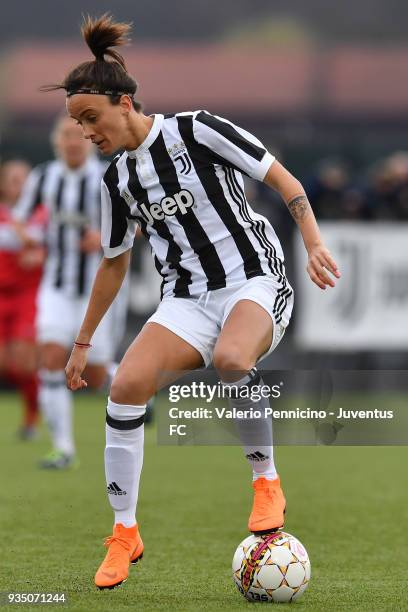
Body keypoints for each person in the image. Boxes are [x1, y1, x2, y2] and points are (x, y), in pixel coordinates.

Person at [57, 15, 340, 590]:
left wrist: (312, 242)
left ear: (125, 102)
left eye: (92, 118)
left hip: (253, 279)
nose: (86, 132)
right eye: (77, 123)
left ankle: (266, 483)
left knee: (234, 358)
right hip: (186, 299)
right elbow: (114, 262)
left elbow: (284, 180)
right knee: (126, 386)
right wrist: (83, 341)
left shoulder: (197, 130)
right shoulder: (117, 181)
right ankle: (124, 532)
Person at [14, 114, 128, 468]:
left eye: (78, 135)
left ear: (89, 138)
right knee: (50, 358)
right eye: (65, 135)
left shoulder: (108, 175)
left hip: (99, 289)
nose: (73, 142)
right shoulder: (44, 176)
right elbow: (20, 218)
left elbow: (138, 224)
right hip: (57, 286)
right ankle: (63, 448)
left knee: (93, 376)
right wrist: (31, 241)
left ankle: (131, 380)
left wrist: (103, 238)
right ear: (56, 141)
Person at [0, 160, 47, 439]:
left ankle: (31, 420)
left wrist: (43, 254)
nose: (20, 185)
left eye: (25, 179)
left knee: (24, 363)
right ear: (4, 184)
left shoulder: (41, 216)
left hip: (28, 295)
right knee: (5, 364)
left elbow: (59, 250)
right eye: (14, 179)